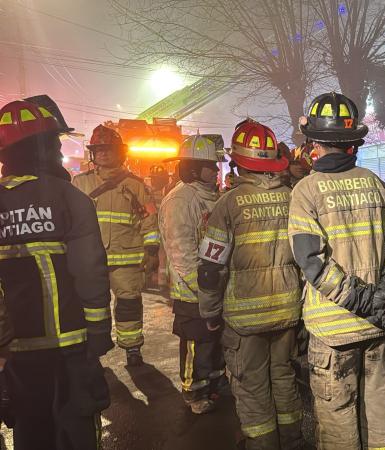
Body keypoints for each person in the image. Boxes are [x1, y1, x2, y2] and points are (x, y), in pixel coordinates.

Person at [288, 92, 385, 449]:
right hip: (379, 326)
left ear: (313, 141)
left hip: (333, 331)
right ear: (353, 143)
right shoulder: (377, 184)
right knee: (381, 411)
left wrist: (361, 299)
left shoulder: (306, 191)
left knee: (338, 419)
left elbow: (312, 263)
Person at [0, 95, 113, 448]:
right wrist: (98, 330)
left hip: (16, 349)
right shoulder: (70, 199)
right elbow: (90, 272)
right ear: (46, 148)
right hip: (72, 345)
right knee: (77, 426)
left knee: (31, 428)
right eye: (55, 143)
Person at [198, 119, 304, 449]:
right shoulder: (292, 198)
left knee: (251, 385)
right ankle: (292, 441)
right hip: (288, 309)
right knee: (284, 377)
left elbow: (210, 268)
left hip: (244, 319)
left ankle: (262, 445)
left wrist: (210, 311)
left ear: (238, 161)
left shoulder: (227, 204)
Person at [73, 124, 160, 366]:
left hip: (127, 260)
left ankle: (132, 348)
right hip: (91, 261)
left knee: (129, 305)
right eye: (97, 149)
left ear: (119, 152)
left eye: (107, 149)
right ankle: (92, 349)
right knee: (91, 307)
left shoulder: (136, 185)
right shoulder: (80, 183)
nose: (102, 153)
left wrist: (152, 251)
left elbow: (150, 221)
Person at [159, 134, 225, 414]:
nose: (217, 170)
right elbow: (181, 251)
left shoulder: (212, 196)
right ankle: (193, 392)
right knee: (196, 343)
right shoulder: (180, 201)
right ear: (194, 168)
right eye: (211, 165)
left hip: (214, 287)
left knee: (213, 343)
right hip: (193, 291)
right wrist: (200, 289)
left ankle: (211, 386)